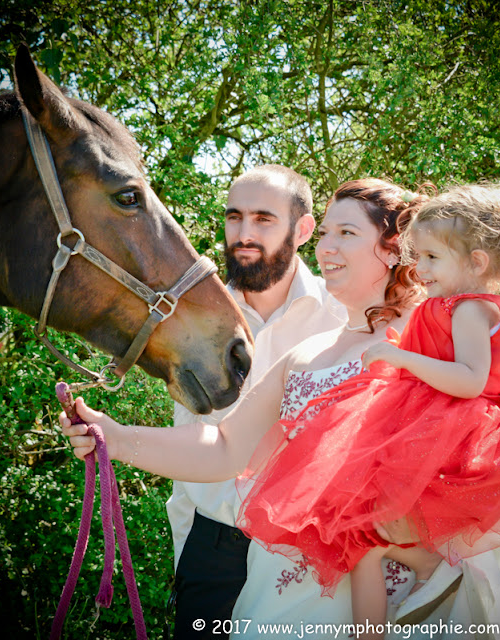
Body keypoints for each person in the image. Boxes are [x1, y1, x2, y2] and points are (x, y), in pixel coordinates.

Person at [61, 179, 500, 638]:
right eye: (323, 232)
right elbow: (225, 446)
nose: (324, 247)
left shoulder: (440, 341)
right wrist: (115, 437)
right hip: (285, 593)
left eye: (346, 232)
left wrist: (413, 535)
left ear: (395, 250)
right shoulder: (303, 356)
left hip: (408, 593)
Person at [235, 181, 500, 636]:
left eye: (431, 258)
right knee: (367, 532)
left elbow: (471, 379)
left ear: (477, 261)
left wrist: (400, 357)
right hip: (435, 418)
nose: (421, 267)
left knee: (369, 532)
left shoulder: (470, 310)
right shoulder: (452, 306)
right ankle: (401, 589)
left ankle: (396, 601)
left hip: (452, 427)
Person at [167, 164, 347, 639]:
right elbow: (188, 445)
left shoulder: (345, 317)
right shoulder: (193, 321)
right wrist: (188, 556)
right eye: (234, 217)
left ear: (303, 229)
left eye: (264, 219)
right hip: (212, 551)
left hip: (306, 556)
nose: (243, 234)